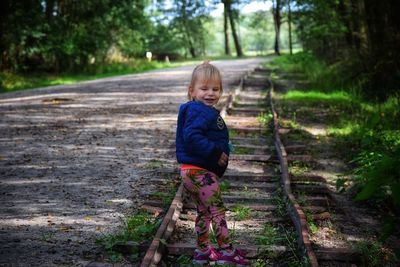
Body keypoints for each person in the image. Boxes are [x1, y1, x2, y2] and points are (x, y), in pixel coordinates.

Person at [176, 61, 250, 266]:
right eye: (204, 88)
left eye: (215, 89)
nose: (210, 93)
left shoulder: (198, 109)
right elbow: (191, 136)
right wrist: (216, 151)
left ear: (221, 91)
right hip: (201, 173)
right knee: (217, 211)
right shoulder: (198, 110)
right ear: (191, 91)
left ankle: (202, 251)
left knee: (204, 211)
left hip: (191, 171)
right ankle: (226, 252)